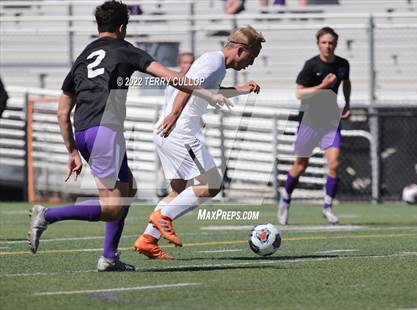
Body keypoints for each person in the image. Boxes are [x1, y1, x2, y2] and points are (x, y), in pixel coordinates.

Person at [27, 0, 230, 272]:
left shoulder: (84, 55)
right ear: (122, 27)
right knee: (112, 207)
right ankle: (47, 215)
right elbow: (170, 77)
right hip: (105, 132)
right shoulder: (125, 50)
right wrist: (206, 93)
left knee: (128, 190)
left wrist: (72, 151)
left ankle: (109, 258)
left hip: (84, 132)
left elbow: (62, 111)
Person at [133, 25, 265, 259]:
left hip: (170, 131)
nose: (251, 63)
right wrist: (175, 115)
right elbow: (186, 84)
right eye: (252, 57)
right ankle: (163, 217)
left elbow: (205, 91)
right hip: (180, 131)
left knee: (177, 190)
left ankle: (147, 240)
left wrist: (239, 90)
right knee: (212, 184)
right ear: (240, 50)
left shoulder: (216, 65)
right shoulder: (212, 61)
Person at [277, 26, 351, 225]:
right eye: (324, 42)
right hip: (309, 121)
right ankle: (285, 198)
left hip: (330, 121)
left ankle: (327, 206)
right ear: (318, 43)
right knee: (300, 165)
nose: (328, 46)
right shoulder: (311, 65)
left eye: (331, 42)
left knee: (334, 163)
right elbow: (299, 93)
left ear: (336, 44)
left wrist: (347, 103)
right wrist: (321, 86)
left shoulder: (343, 64)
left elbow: (346, 82)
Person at [157, 52, 195, 197]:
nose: (188, 65)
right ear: (180, 64)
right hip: (173, 129)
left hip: (188, 129)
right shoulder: (174, 82)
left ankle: (177, 197)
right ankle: (165, 193)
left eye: (191, 62)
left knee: (187, 166)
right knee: (174, 166)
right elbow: (169, 108)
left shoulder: (195, 81)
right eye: (185, 62)